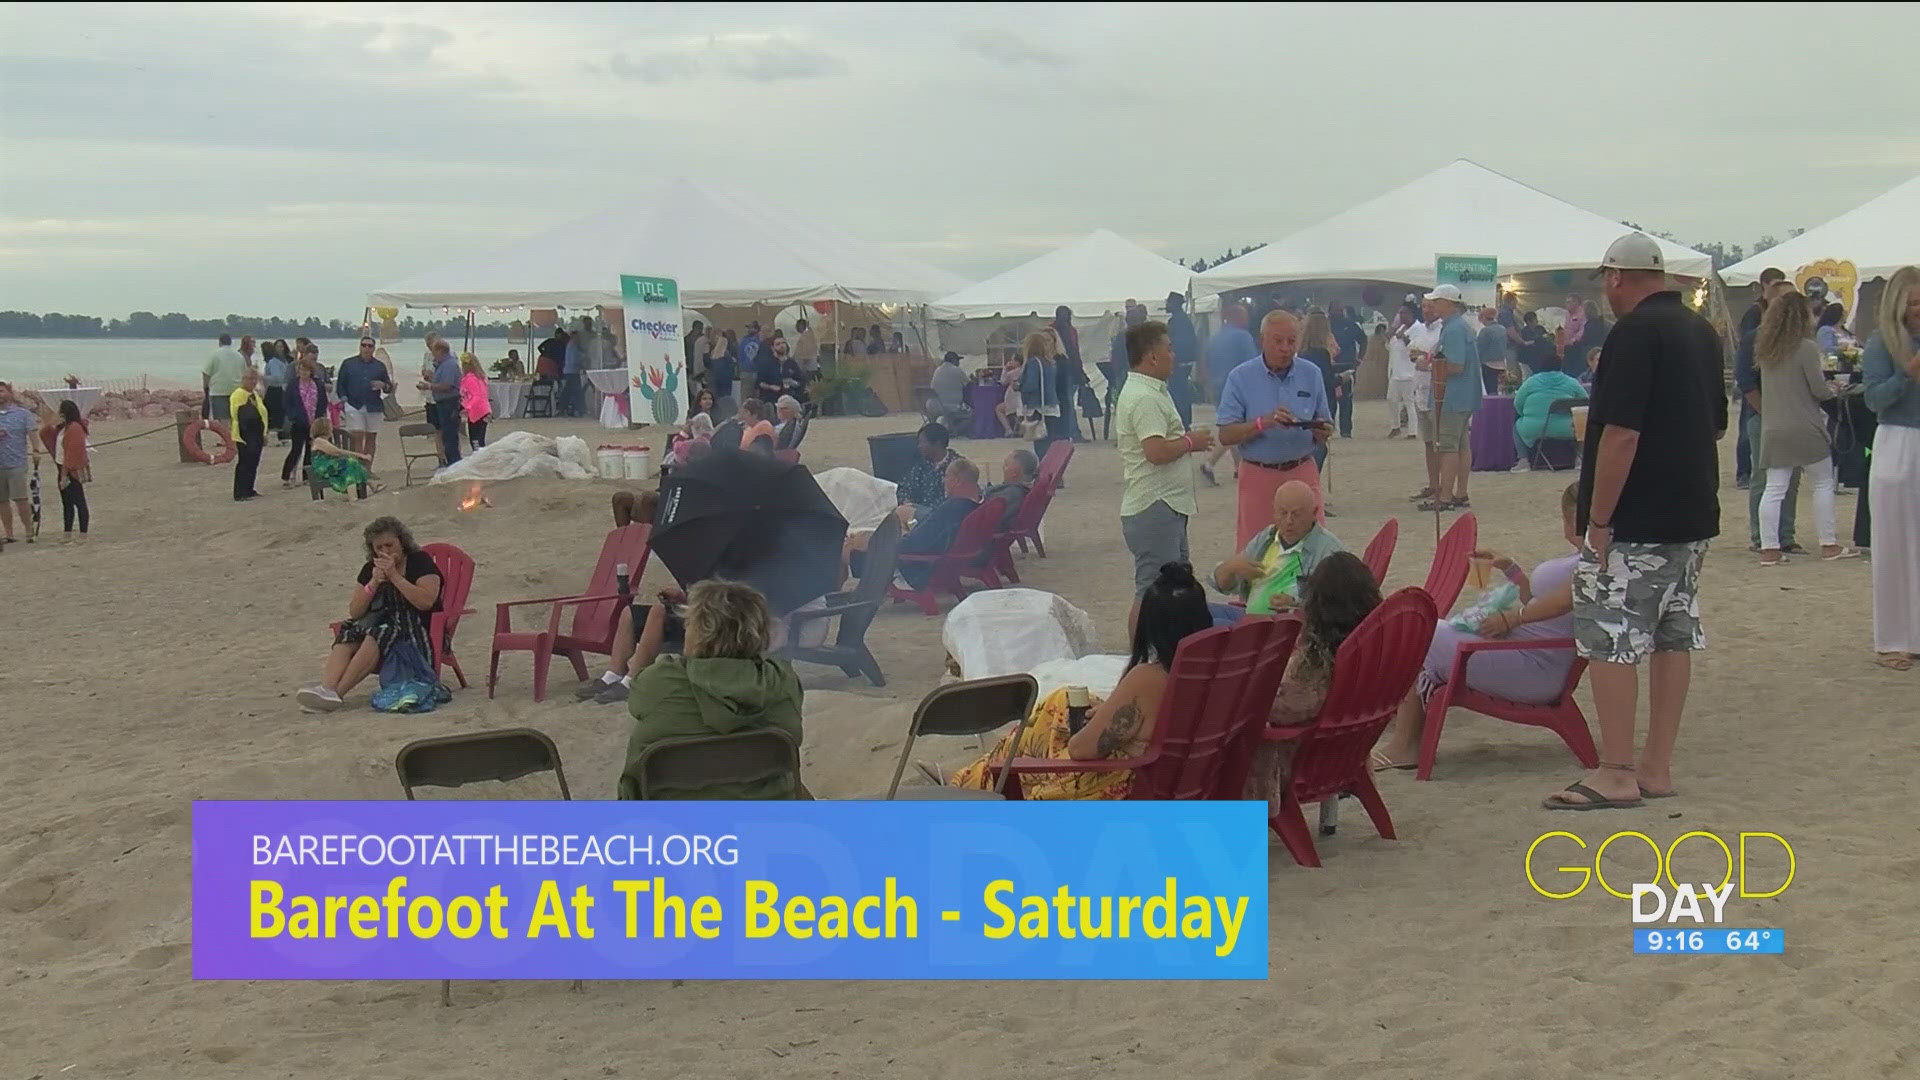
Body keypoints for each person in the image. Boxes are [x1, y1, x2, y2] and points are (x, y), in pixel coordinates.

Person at [1551, 232, 1726, 810]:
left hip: (1637, 518)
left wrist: (1598, 520)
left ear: (1615, 277)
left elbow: (1621, 435)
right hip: (1693, 508)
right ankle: (1656, 766)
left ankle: (1617, 771)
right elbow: (1717, 423)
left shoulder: (1632, 334)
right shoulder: (1700, 331)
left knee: (1611, 639)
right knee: (1673, 636)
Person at [946, 561, 1213, 797]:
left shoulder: (1148, 677)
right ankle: (973, 776)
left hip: (1122, 785)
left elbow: (1081, 750)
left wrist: (1099, 726)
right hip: (1170, 772)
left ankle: (973, 780)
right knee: (1060, 700)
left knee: (1042, 733)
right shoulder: (1212, 671)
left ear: (1150, 626)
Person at [1373, 485, 1586, 770]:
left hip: (1535, 667)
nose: (1573, 525)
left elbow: (1562, 603)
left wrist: (1512, 619)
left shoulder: (1593, 563)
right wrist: (1510, 569)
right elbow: (1538, 602)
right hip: (1523, 653)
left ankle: (1403, 743)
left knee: (1419, 631)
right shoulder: (1584, 558)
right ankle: (1403, 735)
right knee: (1423, 632)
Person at [615, 581, 805, 799]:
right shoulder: (780, 680)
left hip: (673, 817)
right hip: (766, 813)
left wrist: (642, 660)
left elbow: (636, 697)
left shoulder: (660, 680)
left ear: (699, 631)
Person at [1241, 553, 1383, 807]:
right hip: (1346, 752)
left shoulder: (1319, 662)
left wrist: (1254, 695)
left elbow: (1292, 708)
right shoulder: (1371, 652)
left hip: (1300, 763)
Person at [1115, 320, 1214, 630]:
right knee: (1150, 590)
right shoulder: (1145, 397)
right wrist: (1189, 442)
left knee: (1172, 587)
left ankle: (1162, 654)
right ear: (1151, 356)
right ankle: (1138, 660)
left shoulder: (1151, 390)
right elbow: (1155, 452)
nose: (1174, 354)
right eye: (1168, 348)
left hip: (1166, 504)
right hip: (1154, 505)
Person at [297, 517, 443, 712]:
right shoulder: (370, 569)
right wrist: (373, 583)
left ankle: (336, 695)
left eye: (390, 545)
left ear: (402, 542)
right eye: (379, 547)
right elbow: (356, 611)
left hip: (417, 628)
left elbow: (425, 602)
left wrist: (394, 576)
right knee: (349, 632)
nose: (385, 551)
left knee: (378, 634)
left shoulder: (419, 561)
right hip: (381, 623)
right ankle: (328, 688)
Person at [1754, 290, 1854, 565]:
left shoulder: (1766, 349)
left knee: (1774, 488)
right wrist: (1835, 389)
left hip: (1774, 427)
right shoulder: (1806, 348)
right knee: (1822, 483)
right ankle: (1829, 544)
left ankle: (1769, 549)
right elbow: (1819, 390)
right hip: (1805, 426)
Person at [1216, 310, 1331, 549]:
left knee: (1313, 548)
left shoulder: (1312, 373)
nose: (1285, 348)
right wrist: (1263, 423)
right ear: (1262, 340)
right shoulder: (1240, 377)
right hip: (1259, 475)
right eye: (1278, 341)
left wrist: (1322, 430)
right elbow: (1226, 434)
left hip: (1302, 470)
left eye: (1291, 341)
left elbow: (1325, 422)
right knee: (1256, 550)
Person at [1863, 265, 1920, 669]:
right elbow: (1874, 399)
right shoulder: (1881, 343)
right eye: (1914, 302)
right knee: (1895, 545)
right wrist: (1908, 374)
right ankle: (1894, 639)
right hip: (1897, 443)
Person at [1208, 479, 1342, 625]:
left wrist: (1294, 603)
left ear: (1314, 512)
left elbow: (1335, 607)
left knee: (1210, 626)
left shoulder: (1328, 550)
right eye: (1283, 513)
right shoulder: (1267, 538)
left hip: (1280, 629)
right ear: (1274, 510)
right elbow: (1223, 585)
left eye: (1296, 514)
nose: (1289, 521)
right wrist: (1230, 568)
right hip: (1249, 616)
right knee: (1196, 612)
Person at [1737, 276, 1803, 550]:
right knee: (1764, 479)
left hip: (1794, 418)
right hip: (1762, 417)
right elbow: (1746, 380)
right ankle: (1761, 537)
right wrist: (1766, 413)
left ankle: (1786, 536)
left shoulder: (1801, 341)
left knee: (1792, 479)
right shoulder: (1755, 338)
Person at [1422, 284, 1481, 512]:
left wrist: (1428, 365)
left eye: (1436, 301)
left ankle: (1444, 497)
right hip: (1463, 396)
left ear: (1447, 303)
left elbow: (1455, 365)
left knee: (1447, 446)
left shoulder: (1453, 329)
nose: (1433, 306)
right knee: (1461, 446)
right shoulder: (1460, 326)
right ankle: (1460, 492)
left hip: (1451, 397)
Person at [1735, 268, 1789, 489]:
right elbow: (1748, 357)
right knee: (1749, 434)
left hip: (1780, 405)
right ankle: (1743, 472)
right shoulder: (1755, 314)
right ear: (1764, 285)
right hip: (1758, 394)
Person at [1201, 300, 1260, 481]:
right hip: (1239, 387)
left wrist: (1208, 386)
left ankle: (1237, 468)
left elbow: (1205, 364)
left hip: (1218, 386)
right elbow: (1253, 364)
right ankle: (1210, 463)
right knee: (1237, 428)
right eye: (1245, 316)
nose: (1248, 319)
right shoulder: (1243, 337)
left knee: (1229, 424)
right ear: (1238, 318)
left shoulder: (1214, 338)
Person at [1509, 363, 1588, 471]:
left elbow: (1518, 403)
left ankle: (1523, 461)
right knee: (1581, 424)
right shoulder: (1571, 382)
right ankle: (1580, 459)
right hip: (1568, 428)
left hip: (1534, 428)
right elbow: (1584, 402)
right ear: (1561, 367)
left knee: (1516, 427)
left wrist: (1524, 415)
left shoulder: (1530, 382)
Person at [1406, 296, 1444, 498]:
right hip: (1420, 390)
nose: (1426, 310)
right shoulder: (1420, 330)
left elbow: (1440, 359)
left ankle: (1444, 486)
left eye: (1430, 307)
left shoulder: (1443, 331)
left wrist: (1423, 357)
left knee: (1440, 442)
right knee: (1428, 442)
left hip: (1436, 392)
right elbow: (1412, 351)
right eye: (1424, 307)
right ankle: (1433, 483)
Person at [334, 336, 390, 462]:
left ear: (373, 348)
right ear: (360, 346)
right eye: (364, 345)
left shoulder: (379, 366)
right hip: (353, 404)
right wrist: (344, 400)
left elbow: (388, 387)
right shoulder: (348, 364)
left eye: (370, 346)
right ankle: (359, 467)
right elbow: (341, 384)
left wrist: (383, 385)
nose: (366, 348)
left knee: (371, 437)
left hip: (373, 405)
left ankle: (367, 468)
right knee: (357, 436)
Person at [41, 399, 90, 543]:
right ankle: (67, 532)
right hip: (61, 467)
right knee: (67, 502)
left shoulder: (74, 428)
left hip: (70, 469)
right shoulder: (63, 427)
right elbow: (46, 433)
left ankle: (83, 533)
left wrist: (64, 475)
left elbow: (71, 453)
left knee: (79, 501)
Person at [281, 352, 329, 488]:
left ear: (311, 371)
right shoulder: (293, 384)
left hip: (314, 421)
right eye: (301, 369)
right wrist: (293, 416)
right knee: (296, 449)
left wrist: (320, 418)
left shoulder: (317, 384)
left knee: (311, 450)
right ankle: (287, 476)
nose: (303, 372)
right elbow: (287, 402)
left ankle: (307, 477)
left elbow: (322, 401)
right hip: (299, 421)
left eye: (306, 370)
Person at [1018, 331, 1064, 467]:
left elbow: (1032, 385)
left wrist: (1020, 387)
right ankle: (1055, 472)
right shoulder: (1050, 363)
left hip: (1038, 407)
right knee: (1050, 441)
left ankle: (1045, 471)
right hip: (1052, 405)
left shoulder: (1033, 362)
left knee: (1040, 443)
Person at [307, 416, 380, 497]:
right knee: (351, 463)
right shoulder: (319, 441)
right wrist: (361, 455)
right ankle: (363, 490)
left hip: (330, 464)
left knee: (351, 465)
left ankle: (365, 489)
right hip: (323, 467)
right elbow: (337, 451)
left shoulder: (323, 440)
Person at [1299, 309, 1344, 440]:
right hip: (1323, 397)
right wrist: (1342, 378)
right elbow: (1327, 381)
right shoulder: (1322, 353)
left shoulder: (1302, 352)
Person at [897, 421, 958, 511]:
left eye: (923, 442)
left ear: (937, 443)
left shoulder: (957, 467)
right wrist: (906, 501)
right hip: (918, 513)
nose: (919, 446)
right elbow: (904, 487)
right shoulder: (922, 465)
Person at [228, 369, 269, 501]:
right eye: (249, 379)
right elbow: (240, 414)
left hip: (257, 432)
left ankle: (249, 488)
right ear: (243, 379)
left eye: (254, 379)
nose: (252, 382)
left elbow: (261, 412)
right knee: (245, 462)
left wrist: (264, 432)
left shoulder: (254, 394)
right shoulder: (238, 394)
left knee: (253, 462)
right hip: (245, 433)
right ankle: (240, 492)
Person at [1384, 301, 1420, 438]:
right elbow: (1391, 346)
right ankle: (1395, 426)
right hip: (1395, 371)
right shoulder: (1401, 327)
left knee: (1409, 402)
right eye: (1400, 313)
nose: (1401, 316)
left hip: (1409, 373)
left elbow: (1416, 349)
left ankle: (1412, 431)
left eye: (1404, 313)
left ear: (1411, 314)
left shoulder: (1418, 328)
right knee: (1391, 399)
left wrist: (1404, 338)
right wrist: (1392, 334)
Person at [1047, 321, 1086, 444]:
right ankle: (1071, 433)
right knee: (1068, 404)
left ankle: (1064, 433)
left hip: (1062, 370)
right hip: (1068, 370)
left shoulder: (1052, 329)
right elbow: (1075, 351)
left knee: (1065, 404)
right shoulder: (1068, 331)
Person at [1163, 293, 1198, 429]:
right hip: (1183, 362)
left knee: (1178, 393)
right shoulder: (1182, 319)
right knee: (1181, 392)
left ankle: (1182, 421)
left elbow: (1178, 343)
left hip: (1179, 364)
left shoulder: (1177, 321)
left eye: (1169, 302)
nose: (1166, 305)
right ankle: (1184, 421)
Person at [982, 448, 1038, 530]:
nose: (1003, 468)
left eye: (1006, 465)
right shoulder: (1019, 490)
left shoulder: (1013, 494)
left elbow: (990, 517)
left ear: (1015, 472)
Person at [202, 333, 246, 422]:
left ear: (220, 342)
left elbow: (206, 373)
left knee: (222, 418)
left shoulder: (214, 355)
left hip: (219, 391)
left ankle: (226, 435)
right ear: (230, 342)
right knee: (235, 417)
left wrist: (206, 387)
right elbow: (244, 373)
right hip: (236, 390)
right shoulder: (239, 356)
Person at [927, 350, 970, 431]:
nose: (958, 363)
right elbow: (969, 384)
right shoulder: (957, 370)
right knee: (972, 413)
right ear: (954, 360)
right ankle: (955, 430)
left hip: (931, 405)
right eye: (958, 360)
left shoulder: (937, 370)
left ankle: (945, 427)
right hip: (948, 406)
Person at [459, 353, 492, 452]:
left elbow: (476, 396)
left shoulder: (470, 379)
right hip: (484, 410)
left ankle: (479, 458)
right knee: (480, 439)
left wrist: (467, 407)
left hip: (477, 412)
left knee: (475, 440)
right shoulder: (480, 378)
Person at [1476, 305, 1510, 395]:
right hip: (1502, 364)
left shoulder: (1485, 331)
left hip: (1488, 365)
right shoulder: (1502, 329)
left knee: (1491, 391)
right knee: (1501, 391)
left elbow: (1479, 349)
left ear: (1483, 317)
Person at [262, 340, 290, 436]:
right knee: (275, 413)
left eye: (281, 347)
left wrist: (264, 377)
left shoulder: (284, 361)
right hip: (274, 390)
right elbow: (276, 378)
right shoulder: (274, 361)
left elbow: (278, 377)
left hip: (280, 389)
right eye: (278, 347)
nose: (280, 349)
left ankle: (280, 434)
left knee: (278, 414)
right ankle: (275, 435)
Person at [994, 356, 1024, 437]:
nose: (1011, 362)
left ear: (1017, 362)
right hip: (1024, 399)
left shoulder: (1012, 373)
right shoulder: (1025, 371)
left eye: (1012, 360)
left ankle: (1008, 429)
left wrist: (1005, 369)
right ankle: (1020, 428)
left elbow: (1003, 382)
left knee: (998, 409)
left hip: (1013, 399)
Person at [754, 336, 788, 404]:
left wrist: (794, 382)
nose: (781, 346)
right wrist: (771, 387)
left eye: (783, 343)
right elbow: (760, 383)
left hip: (788, 398)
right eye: (778, 344)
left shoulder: (791, 362)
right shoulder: (766, 363)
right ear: (773, 348)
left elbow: (800, 379)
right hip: (770, 398)